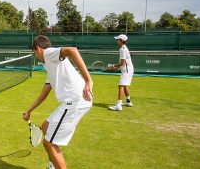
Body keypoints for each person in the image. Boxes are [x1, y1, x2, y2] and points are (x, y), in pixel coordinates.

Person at [22, 35, 94, 169]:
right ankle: (52, 166)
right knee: (45, 127)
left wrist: (88, 81)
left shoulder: (48, 53)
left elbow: (72, 50)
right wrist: (29, 111)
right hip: (73, 102)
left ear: (38, 49)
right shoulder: (50, 67)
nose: (35, 56)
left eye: (34, 53)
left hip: (75, 102)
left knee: (48, 143)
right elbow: (43, 94)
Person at [107, 34, 134, 111]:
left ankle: (119, 105)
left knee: (121, 86)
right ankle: (128, 101)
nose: (117, 41)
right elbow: (123, 63)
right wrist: (116, 67)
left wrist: (112, 66)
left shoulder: (123, 49)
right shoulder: (124, 48)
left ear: (122, 41)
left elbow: (122, 63)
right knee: (125, 85)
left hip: (127, 70)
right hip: (129, 69)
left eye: (118, 39)